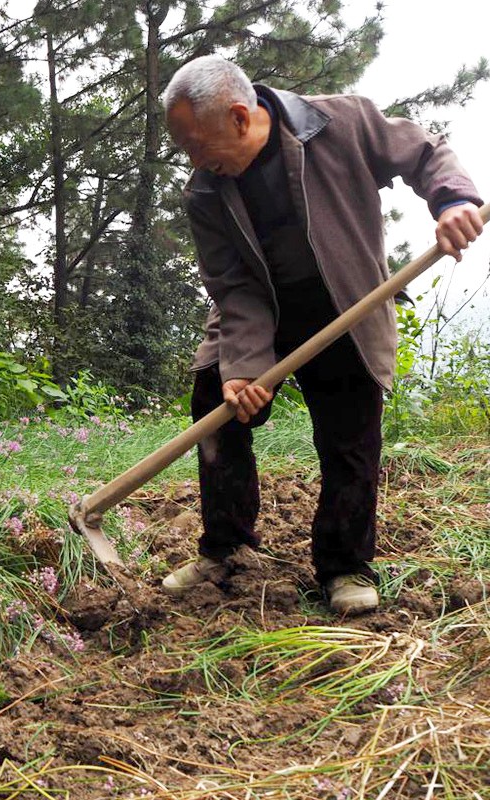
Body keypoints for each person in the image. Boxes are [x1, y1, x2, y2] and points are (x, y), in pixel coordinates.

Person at [160, 54, 484, 615]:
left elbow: (425, 152)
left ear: (241, 117)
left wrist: (452, 200)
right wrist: (243, 366)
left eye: (198, 145)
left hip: (347, 308)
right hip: (259, 317)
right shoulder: (206, 192)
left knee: (349, 440)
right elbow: (233, 287)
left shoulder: (342, 124)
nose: (196, 161)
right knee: (217, 405)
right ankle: (225, 549)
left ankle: (344, 566)